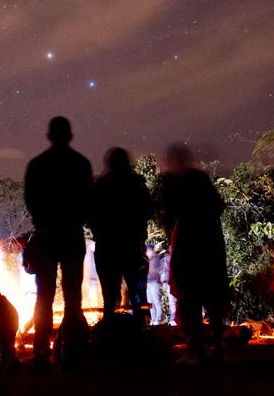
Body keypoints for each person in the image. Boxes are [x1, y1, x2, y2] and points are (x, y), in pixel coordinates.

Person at [23, 116, 93, 368]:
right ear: (70, 135)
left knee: (44, 295)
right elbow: (88, 201)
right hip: (72, 235)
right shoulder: (81, 164)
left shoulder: (37, 165)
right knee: (73, 295)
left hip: (46, 235)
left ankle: (41, 352)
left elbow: (30, 200)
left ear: (48, 136)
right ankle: (73, 348)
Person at [157, 143, 228, 361]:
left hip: (187, 242)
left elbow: (164, 213)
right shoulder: (201, 179)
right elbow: (218, 206)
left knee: (191, 294)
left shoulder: (170, 182)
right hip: (209, 241)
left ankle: (197, 343)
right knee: (212, 291)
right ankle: (216, 343)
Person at [89, 147, 151, 321]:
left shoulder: (100, 185)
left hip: (107, 247)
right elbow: (147, 211)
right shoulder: (137, 184)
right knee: (136, 294)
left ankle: (109, 334)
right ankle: (141, 332)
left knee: (109, 298)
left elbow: (90, 214)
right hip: (132, 246)